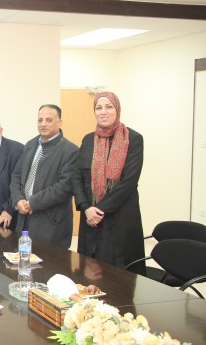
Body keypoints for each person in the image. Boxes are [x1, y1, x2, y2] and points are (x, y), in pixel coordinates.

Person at [72, 92, 145, 272]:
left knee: (119, 275)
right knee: (89, 271)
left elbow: (129, 181)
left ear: (117, 109)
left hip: (120, 217)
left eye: (109, 107)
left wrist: (99, 210)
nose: (103, 112)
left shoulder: (134, 139)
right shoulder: (88, 140)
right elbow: (77, 176)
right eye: (99, 108)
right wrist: (86, 208)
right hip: (90, 217)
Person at [10, 104, 79, 249]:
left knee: (48, 261)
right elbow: (16, 175)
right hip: (24, 217)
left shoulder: (71, 151)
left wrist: (33, 202)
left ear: (60, 123)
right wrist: (18, 199)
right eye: (40, 120)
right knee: (21, 258)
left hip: (50, 224)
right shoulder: (30, 145)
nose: (43, 124)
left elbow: (64, 187)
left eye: (49, 120)